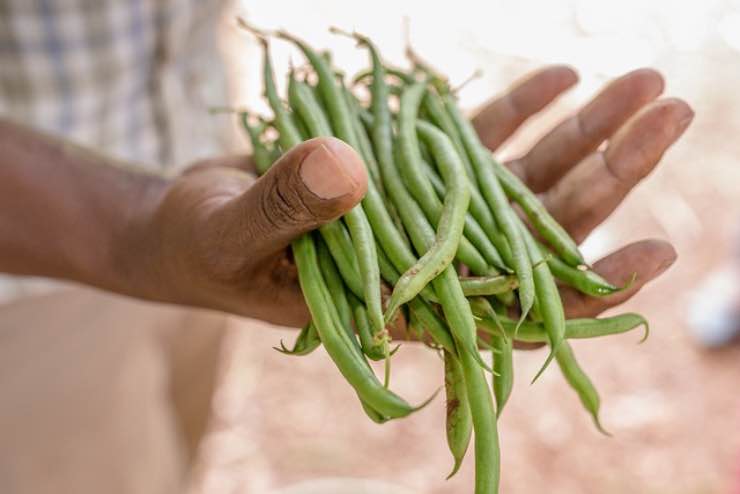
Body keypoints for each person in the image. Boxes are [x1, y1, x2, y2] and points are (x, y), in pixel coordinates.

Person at [0, 1, 692, 493]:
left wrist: (156, 227)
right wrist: (132, 228)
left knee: (174, 455)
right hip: (30, 288)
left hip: (201, 199)